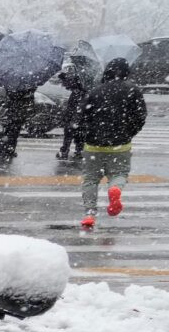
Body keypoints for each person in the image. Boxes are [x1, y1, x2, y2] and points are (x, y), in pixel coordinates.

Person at [78, 57, 149, 228]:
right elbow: (140, 117)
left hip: (93, 144)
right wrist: (128, 132)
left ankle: (89, 213)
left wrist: (87, 134)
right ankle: (114, 189)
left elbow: (82, 116)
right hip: (120, 144)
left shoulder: (96, 91)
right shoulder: (133, 90)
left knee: (90, 179)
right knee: (119, 173)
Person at [55, 64, 89, 165]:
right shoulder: (80, 88)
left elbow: (78, 107)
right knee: (79, 134)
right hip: (78, 116)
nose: (64, 85)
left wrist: (73, 119)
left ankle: (65, 152)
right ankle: (78, 151)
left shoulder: (78, 90)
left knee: (70, 133)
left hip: (75, 116)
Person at [0, 85, 37, 164]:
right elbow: (13, 94)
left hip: (18, 109)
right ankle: (4, 150)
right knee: (12, 130)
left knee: (13, 130)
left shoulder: (17, 82)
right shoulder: (17, 84)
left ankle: (6, 149)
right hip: (16, 109)